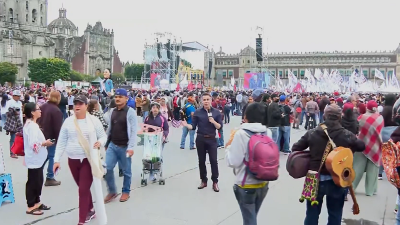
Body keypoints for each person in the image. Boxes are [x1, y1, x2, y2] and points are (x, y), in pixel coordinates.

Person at [291, 104, 365, 224]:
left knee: (311, 214)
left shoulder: (313, 132)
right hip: (337, 179)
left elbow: (296, 147)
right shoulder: (346, 134)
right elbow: (361, 146)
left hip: (314, 178)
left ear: (324, 115)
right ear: (339, 117)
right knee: (335, 214)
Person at [53, 95, 108, 224]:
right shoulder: (68, 121)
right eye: (75, 103)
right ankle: (90, 209)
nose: (77, 106)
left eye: (80, 104)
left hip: (87, 160)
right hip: (72, 160)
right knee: (82, 187)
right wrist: (56, 160)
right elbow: (61, 141)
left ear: (86, 106)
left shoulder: (94, 121)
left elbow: (103, 136)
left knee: (82, 190)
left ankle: (81, 220)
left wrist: (100, 142)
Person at [225, 102, 271, 225]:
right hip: (263, 182)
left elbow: (233, 162)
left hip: (246, 185)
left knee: (249, 220)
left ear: (246, 117)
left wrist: (228, 148)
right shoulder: (267, 132)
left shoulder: (240, 134)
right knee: (252, 216)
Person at [181, 93, 222, 192]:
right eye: (204, 100)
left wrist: (213, 122)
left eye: (208, 99)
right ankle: (203, 180)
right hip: (200, 139)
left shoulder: (216, 112)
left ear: (211, 100)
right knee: (201, 161)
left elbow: (219, 127)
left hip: (212, 139)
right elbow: (193, 126)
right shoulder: (197, 112)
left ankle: (215, 181)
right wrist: (186, 125)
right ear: (201, 101)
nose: (206, 101)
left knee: (213, 161)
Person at [104, 89, 138, 203]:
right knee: (107, 168)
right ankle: (112, 191)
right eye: (116, 96)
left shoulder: (131, 112)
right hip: (113, 145)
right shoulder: (112, 111)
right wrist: (106, 143)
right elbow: (110, 129)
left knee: (126, 171)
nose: (117, 99)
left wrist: (131, 147)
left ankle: (126, 191)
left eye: (120, 97)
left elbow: (133, 131)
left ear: (126, 98)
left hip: (125, 147)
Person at [23, 102, 53, 216]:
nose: (40, 111)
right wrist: (45, 143)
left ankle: (37, 202)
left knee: (38, 181)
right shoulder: (31, 126)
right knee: (33, 182)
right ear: (32, 112)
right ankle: (31, 206)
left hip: (37, 159)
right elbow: (33, 144)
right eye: (38, 109)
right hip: (34, 159)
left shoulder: (32, 124)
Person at [38, 91, 63, 186]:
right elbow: (57, 128)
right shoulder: (56, 110)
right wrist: (59, 140)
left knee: (46, 155)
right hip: (51, 137)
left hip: (42, 135)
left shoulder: (43, 106)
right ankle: (50, 176)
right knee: (52, 156)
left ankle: (37, 171)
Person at [144, 102, 169, 182]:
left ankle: (158, 172)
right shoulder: (147, 118)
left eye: (156, 108)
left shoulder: (162, 118)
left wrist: (164, 136)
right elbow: (145, 128)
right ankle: (151, 174)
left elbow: (166, 129)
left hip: (160, 140)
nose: (155, 109)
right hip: (150, 140)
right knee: (150, 157)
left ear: (159, 109)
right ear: (151, 109)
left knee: (158, 156)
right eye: (153, 108)